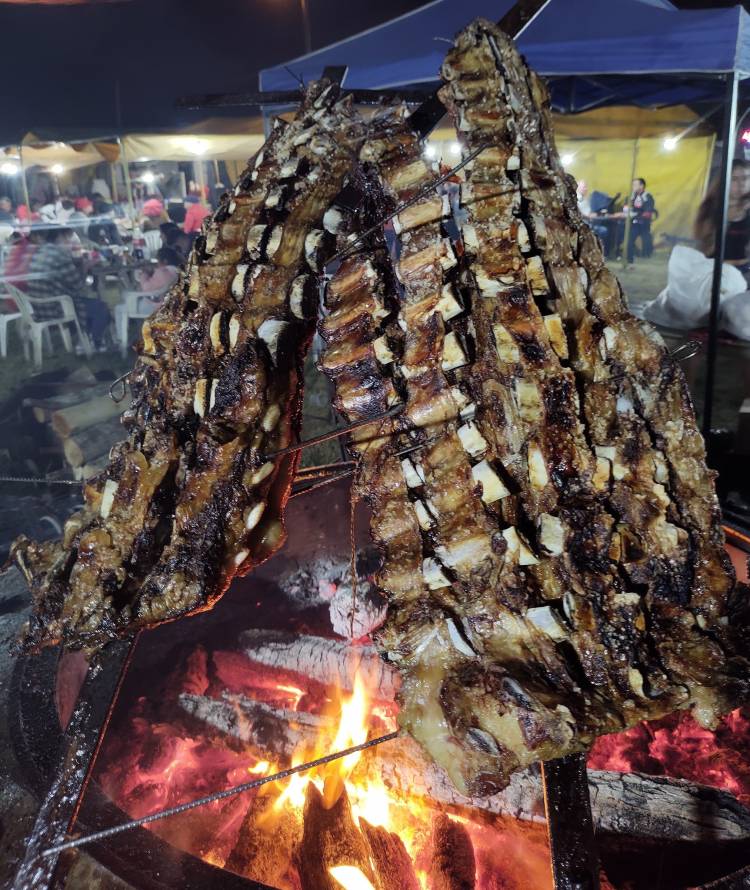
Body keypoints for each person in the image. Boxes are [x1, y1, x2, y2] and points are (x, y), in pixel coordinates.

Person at [643, 161, 750, 340]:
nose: (742, 184)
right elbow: (707, 250)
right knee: (691, 308)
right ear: (724, 181)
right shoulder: (711, 210)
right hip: (717, 274)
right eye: (735, 179)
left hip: (745, 275)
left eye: (746, 178)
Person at [26, 226, 111, 348]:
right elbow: (78, 285)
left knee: (92, 304)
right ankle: (93, 342)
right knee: (101, 308)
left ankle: (86, 338)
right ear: (60, 237)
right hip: (57, 307)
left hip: (38, 307)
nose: (69, 241)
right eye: (67, 237)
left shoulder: (40, 251)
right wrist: (85, 267)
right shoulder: (59, 255)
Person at [625, 177, 656, 264]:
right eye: (633, 185)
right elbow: (626, 207)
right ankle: (629, 259)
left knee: (646, 238)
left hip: (644, 224)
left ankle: (646, 256)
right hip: (634, 224)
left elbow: (649, 211)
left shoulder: (647, 196)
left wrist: (637, 215)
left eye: (635, 185)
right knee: (628, 239)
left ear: (641, 186)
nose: (633, 187)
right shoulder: (632, 196)